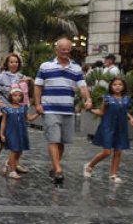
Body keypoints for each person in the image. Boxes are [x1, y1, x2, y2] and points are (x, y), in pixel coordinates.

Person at [34, 38, 93, 186]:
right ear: (57, 50)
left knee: (62, 142)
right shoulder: (46, 66)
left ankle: (54, 166)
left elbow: (82, 86)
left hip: (68, 109)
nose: (66, 52)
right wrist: (38, 104)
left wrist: (88, 99)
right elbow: (38, 86)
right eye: (63, 49)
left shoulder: (76, 68)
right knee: (53, 139)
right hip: (50, 108)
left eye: (68, 49)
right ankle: (58, 169)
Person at [84, 76, 133, 183]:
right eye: (115, 84)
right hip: (108, 126)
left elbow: (123, 111)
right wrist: (90, 110)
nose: (117, 87)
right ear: (111, 86)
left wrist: (130, 118)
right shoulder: (107, 98)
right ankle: (90, 165)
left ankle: (113, 174)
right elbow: (102, 112)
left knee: (118, 152)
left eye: (120, 85)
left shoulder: (126, 99)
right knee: (107, 152)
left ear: (123, 87)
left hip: (121, 128)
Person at [0, 53, 30, 172]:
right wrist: (0, 105)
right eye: (11, 62)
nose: (14, 64)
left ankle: (14, 162)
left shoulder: (21, 76)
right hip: (5, 113)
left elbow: (26, 92)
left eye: (16, 62)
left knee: (19, 138)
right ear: (7, 64)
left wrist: (29, 80)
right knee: (3, 139)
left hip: (18, 112)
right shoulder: (1, 77)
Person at [0, 89, 37, 179]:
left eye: (19, 96)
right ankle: (12, 171)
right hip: (11, 132)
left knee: (20, 150)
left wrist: (38, 113)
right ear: (11, 97)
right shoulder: (6, 109)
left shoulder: (23, 108)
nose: (17, 97)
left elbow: (29, 119)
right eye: (15, 95)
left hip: (21, 131)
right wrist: (2, 134)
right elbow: (3, 122)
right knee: (14, 150)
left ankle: (9, 163)